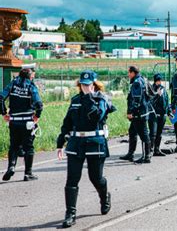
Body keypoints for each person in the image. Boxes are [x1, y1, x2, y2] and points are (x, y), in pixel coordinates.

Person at [56, 70, 116, 228]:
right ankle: (70, 213)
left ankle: (104, 197)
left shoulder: (101, 99)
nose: (85, 87)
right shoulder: (75, 100)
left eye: (88, 85)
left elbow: (97, 116)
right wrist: (60, 142)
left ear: (94, 84)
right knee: (72, 179)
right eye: (83, 84)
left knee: (95, 177)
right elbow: (67, 122)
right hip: (76, 142)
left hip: (95, 141)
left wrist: (90, 97)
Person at [1, 65, 43, 182]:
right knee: (28, 147)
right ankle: (28, 173)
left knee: (13, 146)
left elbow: (0, 98)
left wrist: (4, 113)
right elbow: (39, 104)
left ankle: (11, 167)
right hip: (27, 122)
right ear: (30, 77)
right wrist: (37, 116)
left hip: (14, 121)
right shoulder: (31, 86)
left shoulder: (12, 84)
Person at [119, 66, 152, 163]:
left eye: (129, 73)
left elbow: (136, 100)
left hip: (138, 113)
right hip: (143, 111)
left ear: (133, 72)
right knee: (132, 132)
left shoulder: (137, 82)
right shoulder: (143, 79)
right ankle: (130, 154)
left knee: (144, 134)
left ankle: (146, 156)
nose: (128, 75)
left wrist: (131, 113)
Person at [148, 73, 169, 156]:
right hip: (154, 115)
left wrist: (169, 110)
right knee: (153, 133)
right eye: (157, 80)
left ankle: (157, 149)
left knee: (159, 133)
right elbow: (150, 102)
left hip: (163, 114)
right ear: (155, 81)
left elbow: (167, 101)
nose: (159, 82)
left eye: (160, 80)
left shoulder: (163, 89)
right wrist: (157, 95)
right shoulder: (151, 89)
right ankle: (150, 150)